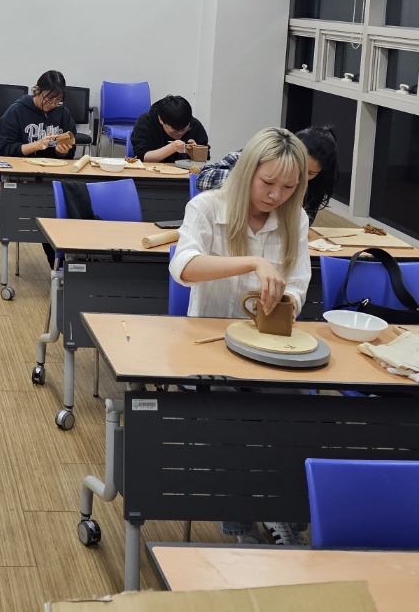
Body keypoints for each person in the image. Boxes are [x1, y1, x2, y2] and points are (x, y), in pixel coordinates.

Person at [170, 126, 312, 546]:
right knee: (232, 419)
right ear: (248, 171)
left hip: (269, 347)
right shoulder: (206, 206)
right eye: (268, 183)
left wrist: (287, 301)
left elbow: (298, 285)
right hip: (211, 347)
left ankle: (283, 514)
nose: (276, 195)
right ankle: (239, 525)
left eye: (289, 187)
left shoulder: (295, 219)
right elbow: (184, 267)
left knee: (297, 417)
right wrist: (252, 263)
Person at [196, 126, 338, 221]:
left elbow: (305, 222)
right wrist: (245, 178)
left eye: (310, 173)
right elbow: (203, 178)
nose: (300, 176)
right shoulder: (260, 156)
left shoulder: (315, 188)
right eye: (268, 182)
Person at [0, 70, 78, 159]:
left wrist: (61, 152)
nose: (53, 104)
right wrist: (36, 145)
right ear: (37, 90)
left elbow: (70, 152)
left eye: (58, 100)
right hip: (21, 164)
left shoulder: (63, 113)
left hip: (52, 165)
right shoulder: (17, 111)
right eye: (49, 98)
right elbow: (5, 150)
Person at [130, 94, 209, 163]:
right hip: (151, 171)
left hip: (185, 173)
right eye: (174, 132)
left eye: (184, 130)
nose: (180, 134)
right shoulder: (146, 122)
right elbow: (142, 157)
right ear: (161, 120)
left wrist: (195, 152)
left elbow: (206, 159)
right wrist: (172, 148)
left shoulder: (195, 125)